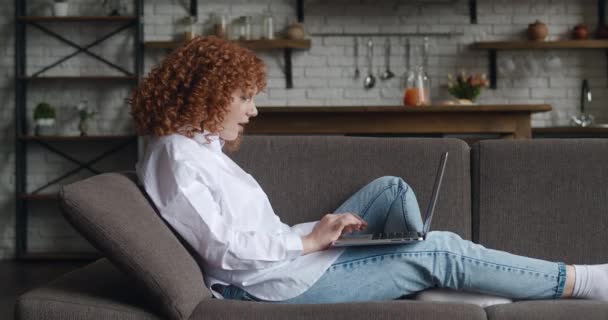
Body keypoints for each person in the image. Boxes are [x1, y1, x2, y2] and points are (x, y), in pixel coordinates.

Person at [128, 36, 608, 304]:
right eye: (245, 98)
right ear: (208, 93)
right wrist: (309, 240)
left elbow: (249, 233)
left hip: (282, 263)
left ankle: (431, 269)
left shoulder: (196, 149)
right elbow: (226, 250)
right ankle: (578, 280)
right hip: (264, 288)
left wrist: (314, 234)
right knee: (443, 248)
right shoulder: (176, 156)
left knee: (389, 190)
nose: (252, 111)